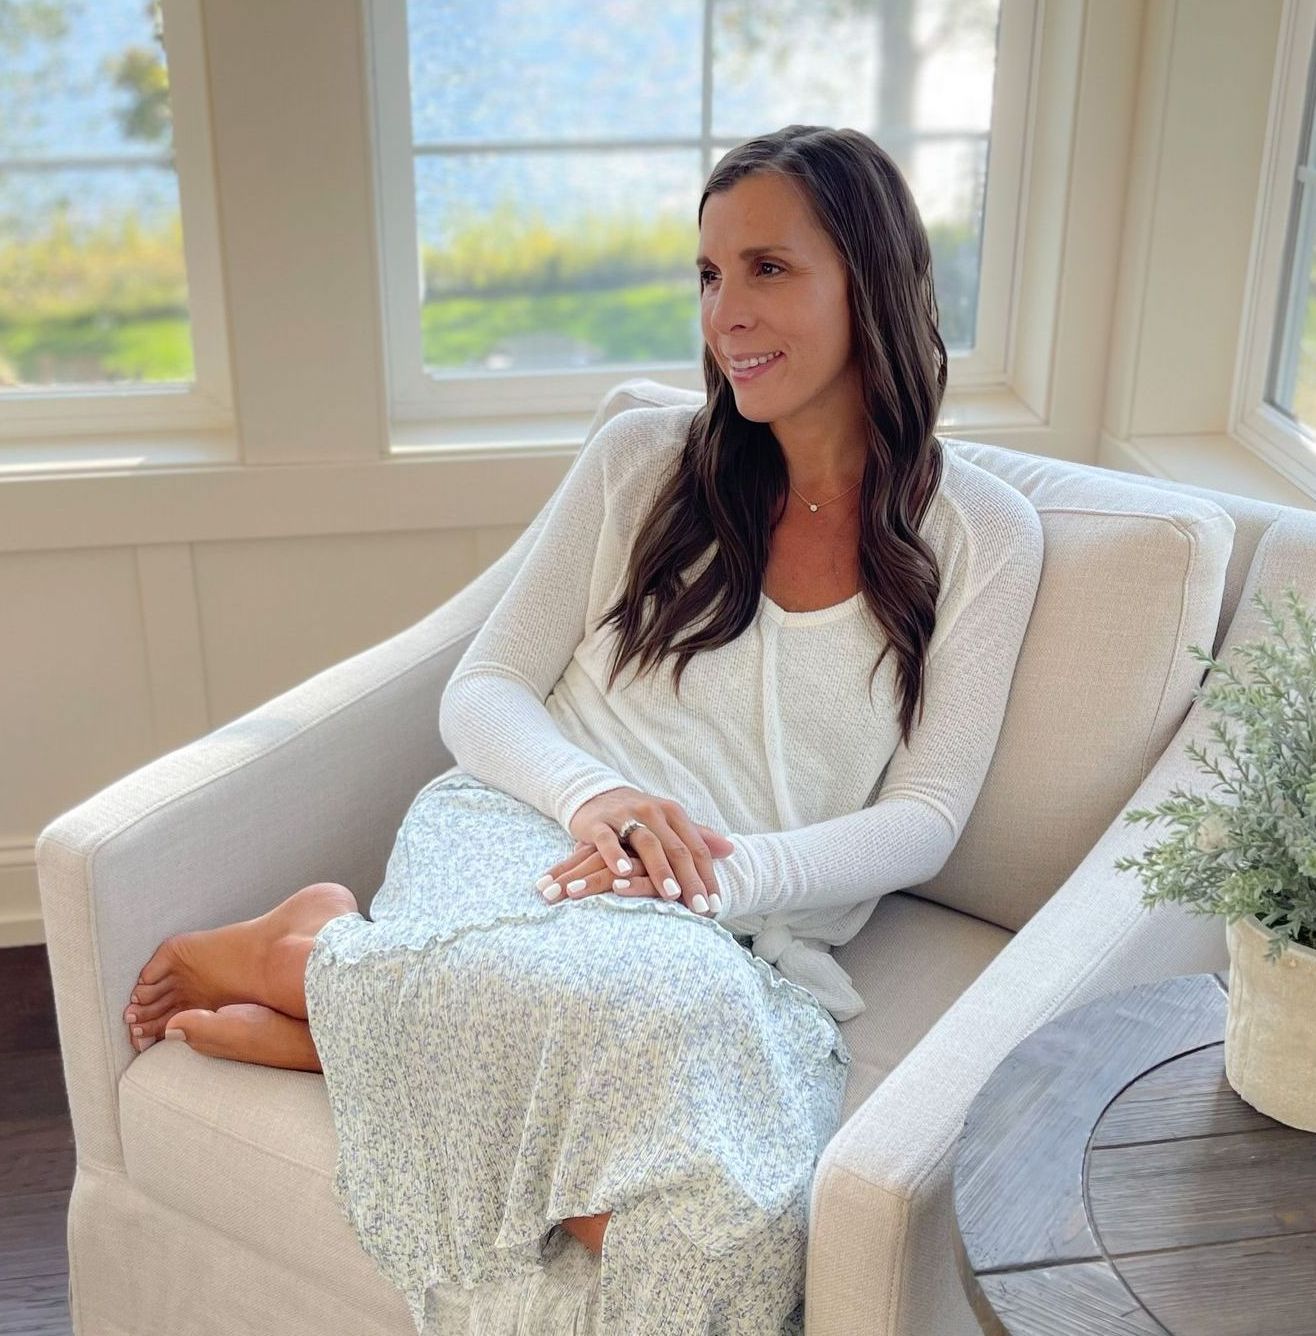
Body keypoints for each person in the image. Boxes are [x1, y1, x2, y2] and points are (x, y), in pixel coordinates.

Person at [119, 124, 1043, 1334]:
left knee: (733, 1224)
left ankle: (331, 989)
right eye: (708, 276)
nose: (725, 314)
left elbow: (924, 816)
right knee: (653, 1084)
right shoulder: (643, 459)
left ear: (869, 279)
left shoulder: (982, 534)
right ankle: (328, 974)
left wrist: (714, 879)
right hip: (526, 836)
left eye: (766, 268)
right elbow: (482, 688)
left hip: (721, 933)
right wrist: (594, 802)